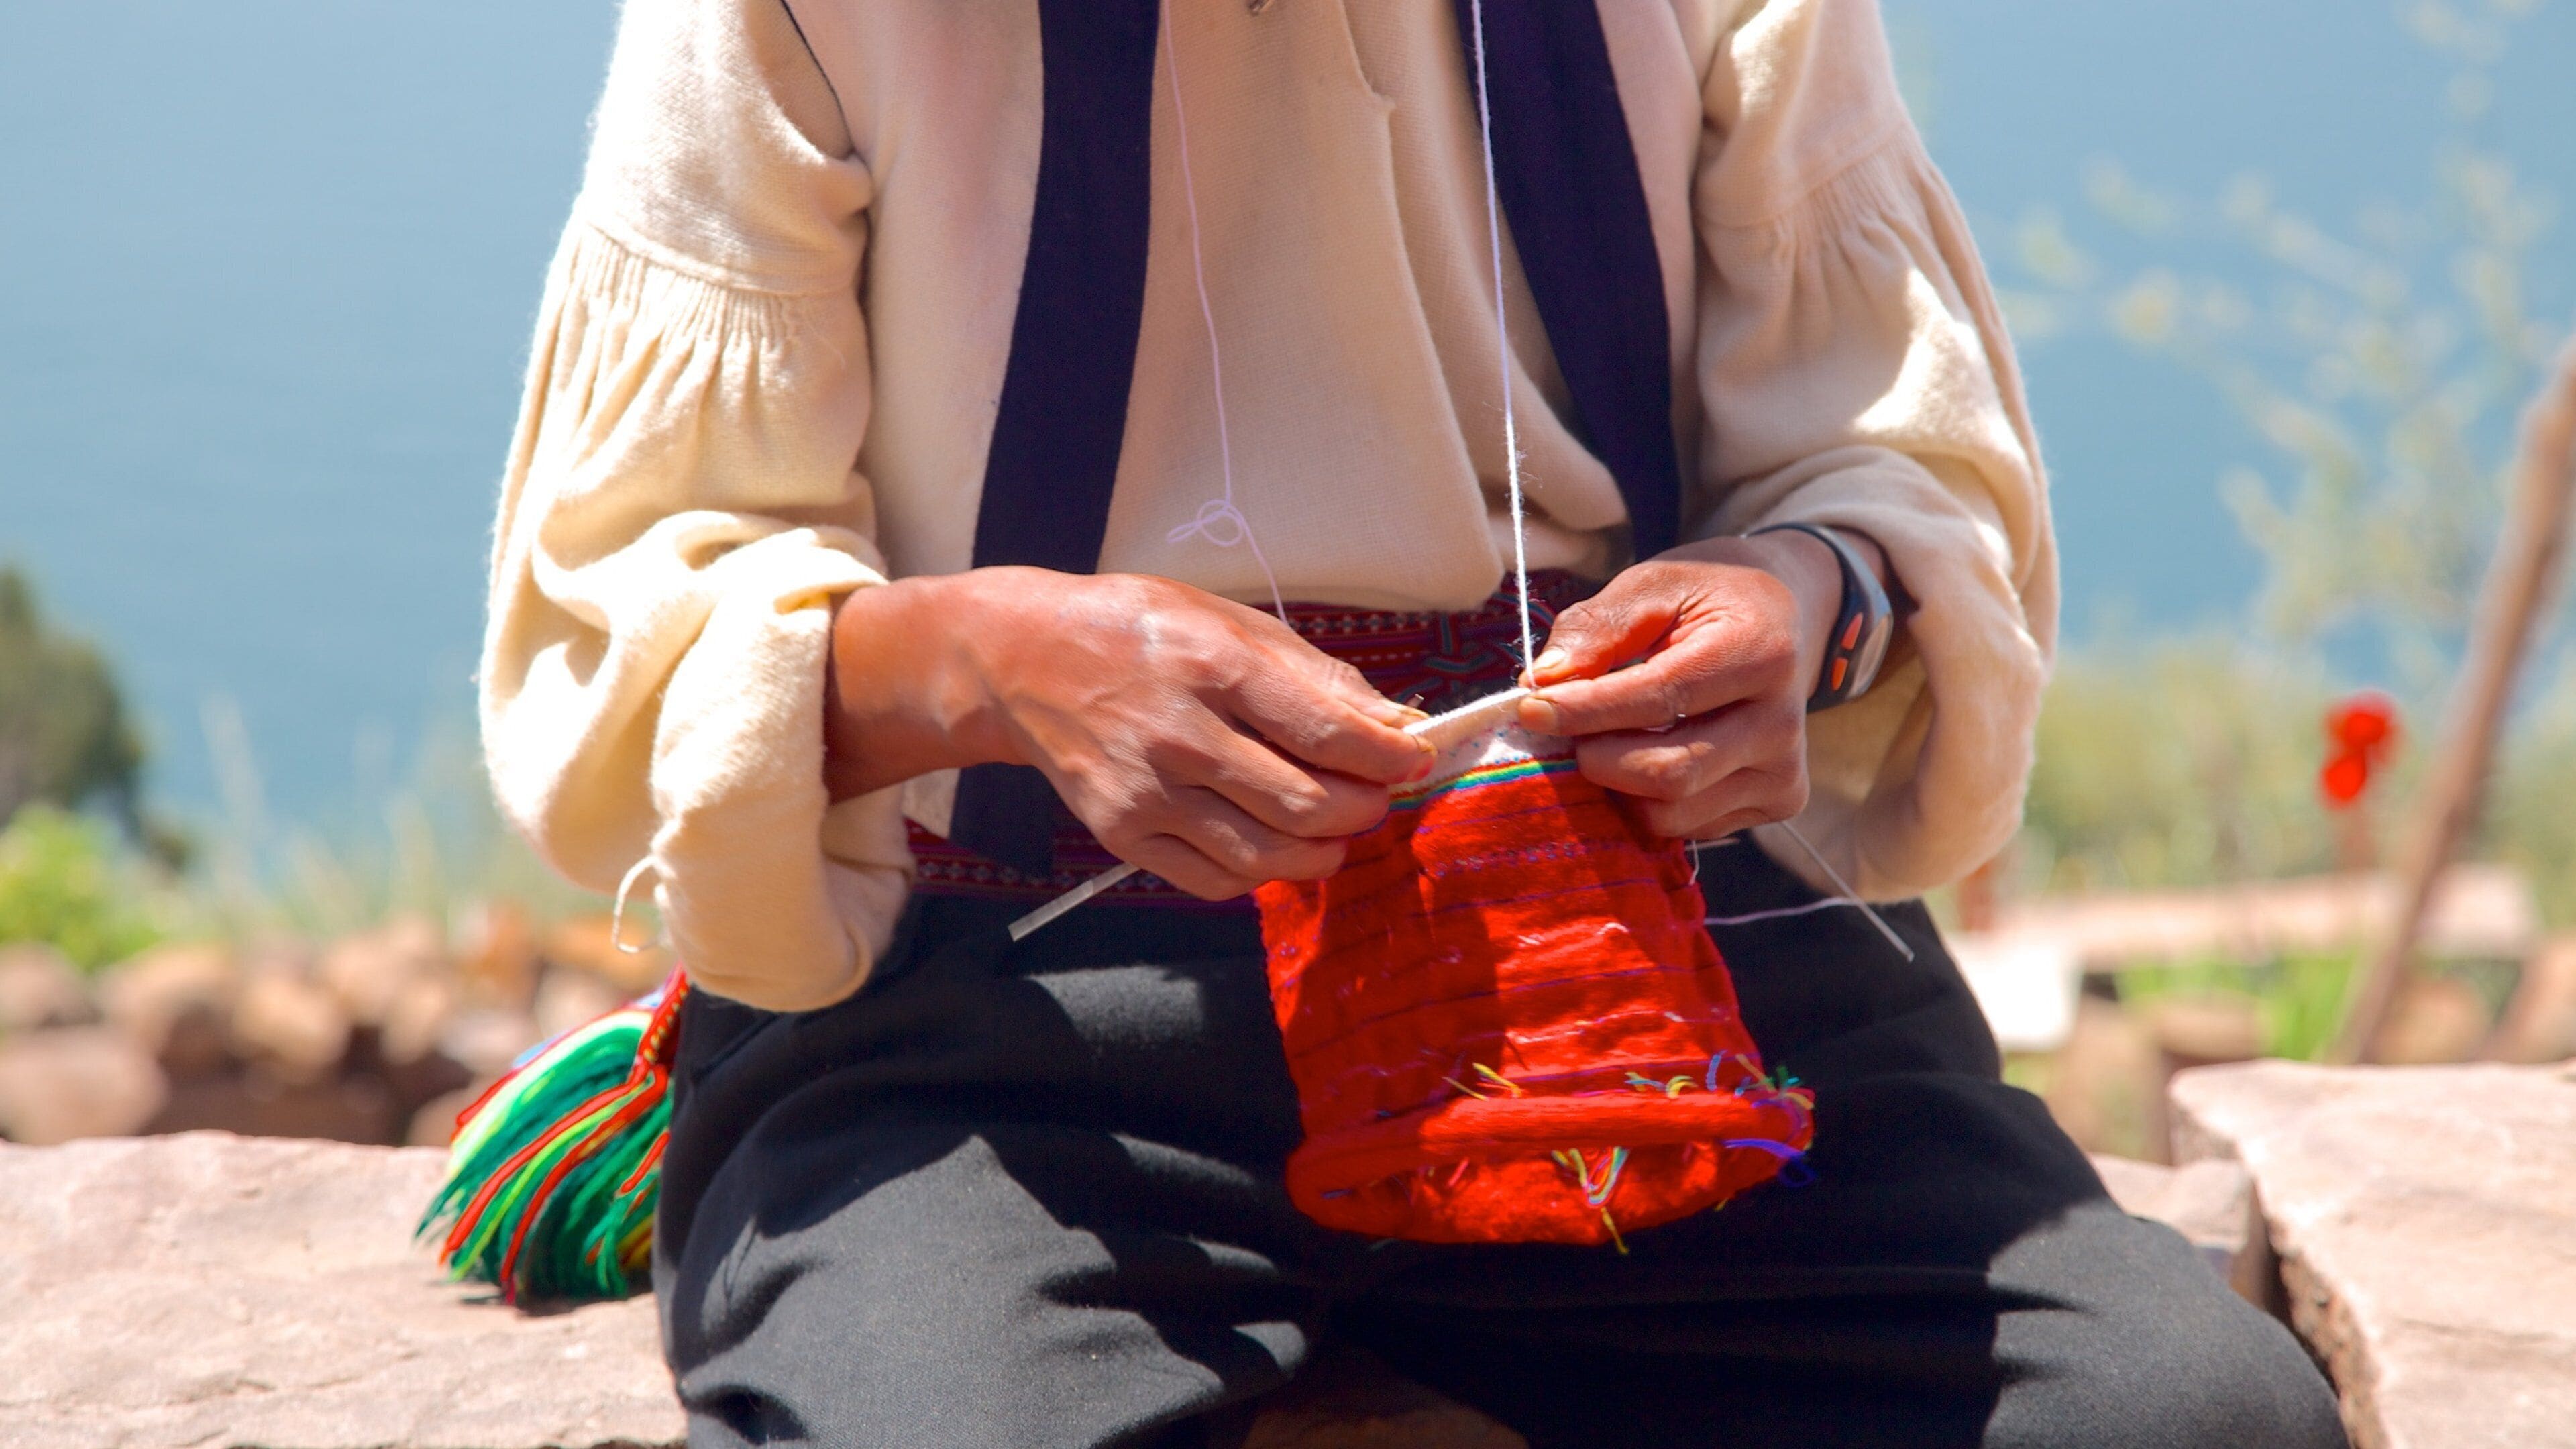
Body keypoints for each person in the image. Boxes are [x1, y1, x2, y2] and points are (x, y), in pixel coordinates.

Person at [478, 0, 2349, 1444]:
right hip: (1014, 1022)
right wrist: (989, 666)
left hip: (1660, 955)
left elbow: (1885, 461)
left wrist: (1807, 606)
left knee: (2179, 1418)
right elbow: (630, 603)